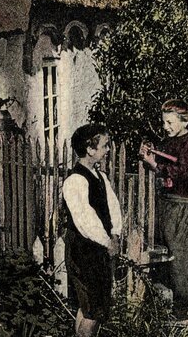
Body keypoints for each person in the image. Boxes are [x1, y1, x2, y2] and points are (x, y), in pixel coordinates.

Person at [139, 100, 188, 319]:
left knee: (184, 258)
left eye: (170, 122)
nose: (165, 127)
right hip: (166, 206)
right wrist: (146, 157)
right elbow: (157, 167)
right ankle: (175, 305)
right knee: (166, 256)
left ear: (184, 121)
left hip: (184, 208)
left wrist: (154, 165)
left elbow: (180, 171)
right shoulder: (166, 142)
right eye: (164, 122)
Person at [63, 123, 121, 337]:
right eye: (105, 146)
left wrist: (114, 233)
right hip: (84, 251)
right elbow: (85, 220)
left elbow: (113, 207)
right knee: (93, 310)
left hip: (98, 249)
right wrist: (107, 242)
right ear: (90, 149)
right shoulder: (75, 181)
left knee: (89, 307)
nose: (107, 151)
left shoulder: (100, 177)